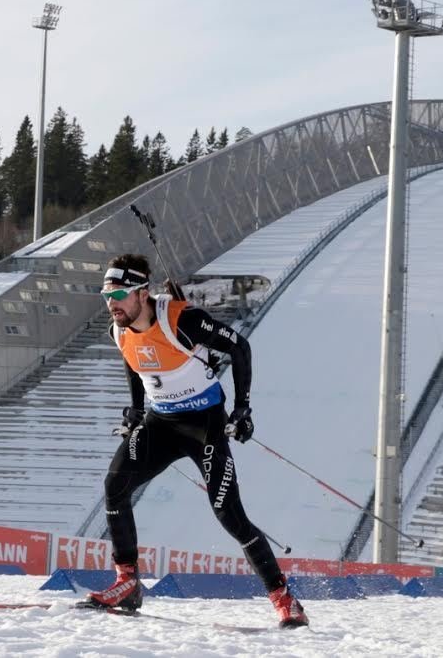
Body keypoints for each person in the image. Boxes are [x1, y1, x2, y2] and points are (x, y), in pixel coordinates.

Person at [85, 254, 308, 628]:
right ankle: (127, 583)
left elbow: (239, 347)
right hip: (161, 423)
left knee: (229, 516)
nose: (112, 303)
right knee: (116, 485)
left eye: (120, 294)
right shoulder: (118, 329)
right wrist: (136, 409)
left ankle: (285, 600)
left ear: (142, 293)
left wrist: (243, 409)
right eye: (106, 295)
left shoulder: (182, 319)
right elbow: (132, 358)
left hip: (204, 425)